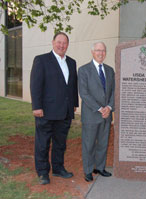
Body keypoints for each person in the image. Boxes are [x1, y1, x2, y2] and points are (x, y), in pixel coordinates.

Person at [30, 32, 79, 185]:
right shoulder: (42, 60)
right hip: (46, 111)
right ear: (53, 42)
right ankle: (43, 173)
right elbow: (35, 84)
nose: (61, 45)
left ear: (68, 45)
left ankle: (58, 169)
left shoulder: (71, 62)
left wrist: (74, 104)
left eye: (64, 43)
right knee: (43, 143)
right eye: (59, 42)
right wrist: (36, 106)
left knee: (60, 143)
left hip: (65, 111)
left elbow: (72, 85)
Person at [78, 42, 115, 182]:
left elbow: (113, 92)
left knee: (103, 143)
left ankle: (99, 167)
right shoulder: (83, 70)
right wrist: (100, 109)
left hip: (107, 114)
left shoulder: (110, 70)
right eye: (98, 50)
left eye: (103, 50)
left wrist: (109, 108)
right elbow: (84, 93)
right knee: (89, 144)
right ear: (92, 52)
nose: (101, 53)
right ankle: (88, 170)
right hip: (91, 115)